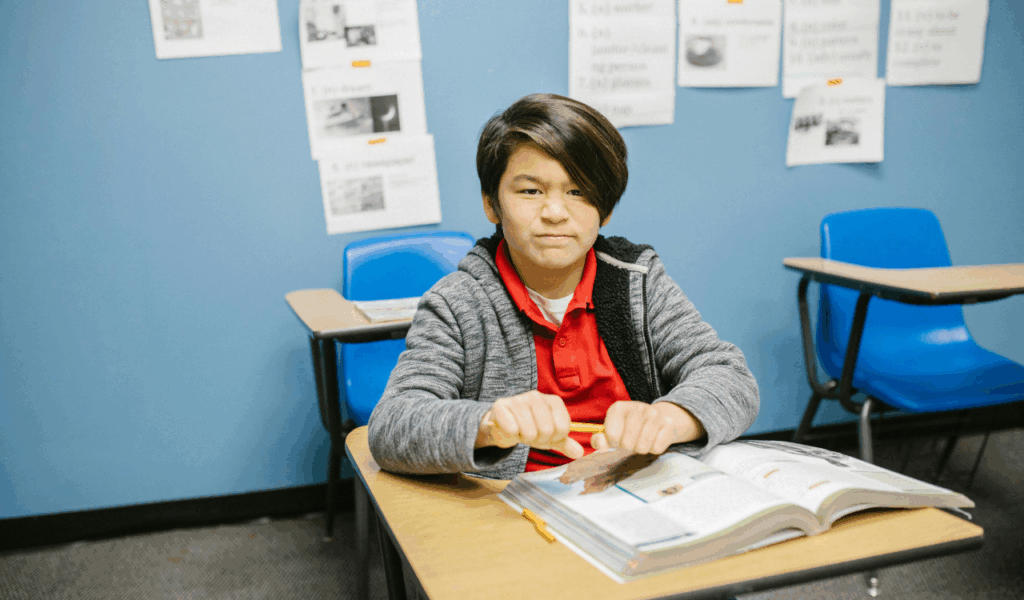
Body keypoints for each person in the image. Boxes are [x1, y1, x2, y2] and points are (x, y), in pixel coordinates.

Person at [368, 93, 758, 478]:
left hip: (635, 493)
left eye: (578, 192)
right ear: (491, 203)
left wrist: (667, 420)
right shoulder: (458, 302)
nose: (555, 213)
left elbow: (730, 378)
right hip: (510, 512)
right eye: (530, 191)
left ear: (604, 210)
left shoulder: (637, 281)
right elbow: (392, 425)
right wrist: (489, 423)